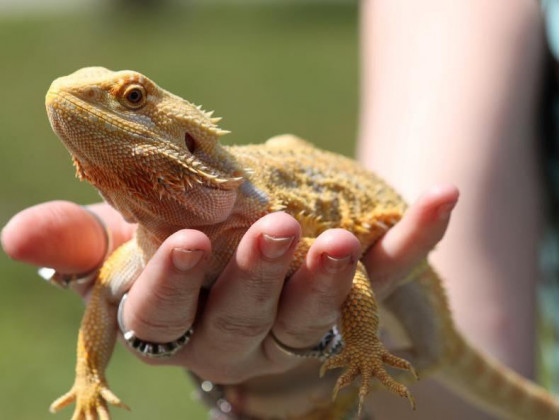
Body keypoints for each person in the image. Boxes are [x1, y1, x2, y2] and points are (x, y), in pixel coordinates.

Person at [1, 0, 551, 418]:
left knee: (435, 349)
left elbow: (352, 277)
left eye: (132, 99)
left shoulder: (253, 218)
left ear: (189, 141)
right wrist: (89, 376)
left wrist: (359, 346)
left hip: (401, 261)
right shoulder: (143, 244)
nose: (78, 99)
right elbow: (104, 298)